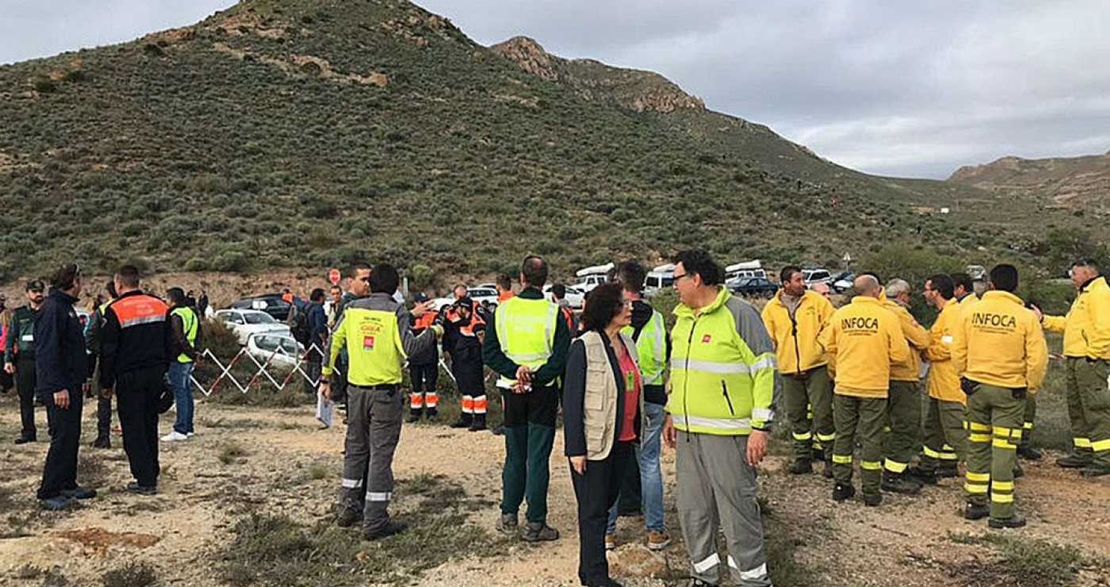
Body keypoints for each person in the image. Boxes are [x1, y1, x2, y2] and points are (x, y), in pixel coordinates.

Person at [663, 249, 776, 587]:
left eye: (676, 279)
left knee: (736, 510)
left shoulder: (739, 314)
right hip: (687, 432)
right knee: (693, 510)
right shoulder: (683, 319)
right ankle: (704, 575)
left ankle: (752, 580)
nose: (673, 287)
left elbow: (765, 371)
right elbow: (679, 372)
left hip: (728, 435)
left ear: (696, 278)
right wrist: (671, 413)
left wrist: (761, 427)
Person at [321, 263, 439, 540]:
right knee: (380, 456)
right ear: (396, 288)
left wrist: (326, 378)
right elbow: (409, 347)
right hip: (384, 393)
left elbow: (333, 342)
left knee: (355, 450)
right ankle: (375, 520)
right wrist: (434, 333)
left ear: (370, 284)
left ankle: (348, 506)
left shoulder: (352, 310)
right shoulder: (395, 311)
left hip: (356, 391)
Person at [483, 255, 571, 543]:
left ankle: (508, 515)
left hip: (511, 390)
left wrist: (515, 372)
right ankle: (535, 523)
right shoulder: (553, 312)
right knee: (537, 458)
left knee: (515, 454)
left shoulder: (502, 311)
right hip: (542, 391)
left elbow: (491, 353)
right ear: (544, 279)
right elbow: (561, 356)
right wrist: (535, 376)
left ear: (521, 277)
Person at [953, 264, 1047, 528]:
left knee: (978, 445)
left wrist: (964, 376)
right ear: (1015, 287)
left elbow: (958, 349)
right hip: (1009, 391)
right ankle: (1002, 512)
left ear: (991, 284)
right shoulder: (1025, 317)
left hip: (976, 389)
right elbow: (1037, 359)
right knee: (1004, 451)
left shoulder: (970, 311)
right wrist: (1029, 387)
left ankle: (975, 502)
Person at [564, 283, 641, 587]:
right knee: (593, 511)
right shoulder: (584, 345)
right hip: (594, 444)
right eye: (624, 303)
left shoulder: (628, 343)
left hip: (622, 439)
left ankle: (588, 571)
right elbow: (571, 401)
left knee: (605, 504)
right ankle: (597, 577)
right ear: (609, 309)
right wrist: (575, 448)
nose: (631, 307)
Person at [819, 274, 911, 507]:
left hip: (845, 385)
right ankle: (871, 491)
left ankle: (841, 485)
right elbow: (901, 355)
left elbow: (828, 345)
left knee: (843, 435)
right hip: (874, 387)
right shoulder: (887, 317)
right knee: (871, 438)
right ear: (877, 291)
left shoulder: (841, 315)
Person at [606, 261, 671, 552]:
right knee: (649, 462)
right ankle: (655, 531)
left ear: (620, 284)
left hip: (624, 398)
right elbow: (667, 353)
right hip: (655, 396)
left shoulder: (617, 317)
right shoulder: (657, 318)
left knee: (613, 463)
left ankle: (607, 532)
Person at [100, 265, 171, 495]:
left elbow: (108, 351)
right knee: (150, 424)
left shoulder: (115, 310)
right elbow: (170, 342)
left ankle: (144, 479)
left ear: (118, 284)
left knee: (133, 428)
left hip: (129, 377)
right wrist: (164, 371)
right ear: (138, 281)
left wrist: (106, 383)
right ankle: (152, 470)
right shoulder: (160, 305)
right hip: (155, 374)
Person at [761, 265, 835, 476]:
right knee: (796, 415)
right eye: (798, 280)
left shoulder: (816, 301)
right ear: (786, 284)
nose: (803, 284)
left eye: (803, 280)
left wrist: (820, 344)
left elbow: (832, 323)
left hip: (816, 366)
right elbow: (768, 337)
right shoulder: (771, 308)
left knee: (823, 414)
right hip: (788, 370)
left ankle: (831, 458)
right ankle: (803, 457)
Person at [1039, 258, 1110, 475]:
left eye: (1075, 274)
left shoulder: (1100, 294)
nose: (1072, 278)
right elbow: (1068, 324)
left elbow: (1106, 328)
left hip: (1089, 361)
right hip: (1076, 359)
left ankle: (1104, 457)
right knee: (1077, 407)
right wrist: (1043, 319)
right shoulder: (1084, 295)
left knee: (1095, 408)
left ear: (1088, 274)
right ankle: (1083, 451)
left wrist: (1093, 356)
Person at [35, 264, 94, 510]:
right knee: (62, 436)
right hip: (59, 386)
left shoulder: (65, 308)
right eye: (80, 280)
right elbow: (48, 352)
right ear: (72, 281)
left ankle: (67, 483)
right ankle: (49, 490)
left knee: (72, 435)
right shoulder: (53, 309)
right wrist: (58, 386)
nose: (83, 284)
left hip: (71, 383)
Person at [911, 274, 967, 484]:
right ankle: (927, 466)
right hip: (939, 386)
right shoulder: (945, 314)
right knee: (933, 429)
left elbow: (948, 346)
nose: (925, 293)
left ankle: (980, 472)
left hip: (951, 386)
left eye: (927, 289)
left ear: (936, 291)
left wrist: (927, 353)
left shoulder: (953, 314)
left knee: (956, 432)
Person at [880, 279, 931, 494]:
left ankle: (891, 466)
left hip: (881, 376)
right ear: (902, 296)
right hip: (902, 377)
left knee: (885, 425)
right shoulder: (898, 313)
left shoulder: (878, 310)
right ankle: (893, 474)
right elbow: (922, 340)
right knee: (907, 425)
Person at [5, 280, 46, 444]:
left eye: (40, 291)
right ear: (28, 293)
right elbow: (10, 338)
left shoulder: (49, 311)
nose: (38, 294)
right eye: (34, 291)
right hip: (25, 359)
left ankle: (54, 430)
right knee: (25, 397)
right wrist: (8, 359)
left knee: (49, 396)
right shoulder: (20, 314)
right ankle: (28, 432)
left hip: (45, 358)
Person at [444, 288, 488, 431]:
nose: (456, 310)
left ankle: (480, 419)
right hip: (461, 356)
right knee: (465, 388)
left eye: (459, 308)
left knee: (476, 388)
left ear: (464, 309)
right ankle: (466, 416)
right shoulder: (462, 321)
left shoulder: (475, 322)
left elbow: (482, 338)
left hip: (472, 356)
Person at [163, 287, 201, 442]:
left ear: (172, 299)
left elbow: (179, 338)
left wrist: (189, 353)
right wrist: (195, 354)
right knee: (186, 393)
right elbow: (198, 334)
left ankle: (180, 429)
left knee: (180, 394)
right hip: (188, 358)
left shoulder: (175, 315)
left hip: (179, 358)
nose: (165, 302)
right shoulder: (190, 312)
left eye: (166, 299)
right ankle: (188, 427)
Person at [85, 280, 118, 448]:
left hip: (106, 360)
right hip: (131, 361)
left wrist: (102, 350)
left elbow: (89, 336)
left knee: (104, 399)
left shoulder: (102, 310)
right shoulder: (132, 307)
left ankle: (103, 436)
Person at [407, 293, 440, 422]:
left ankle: (432, 412)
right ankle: (415, 411)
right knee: (416, 386)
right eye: (421, 302)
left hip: (430, 356)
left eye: (425, 302)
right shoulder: (409, 317)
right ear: (416, 303)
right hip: (415, 356)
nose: (424, 305)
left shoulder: (434, 315)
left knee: (431, 385)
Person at [302, 288, 329, 395]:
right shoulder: (318, 309)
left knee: (310, 364)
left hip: (307, 340)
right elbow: (320, 327)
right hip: (316, 340)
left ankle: (308, 387)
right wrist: (324, 339)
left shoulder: (307, 306)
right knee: (318, 364)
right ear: (320, 297)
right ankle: (316, 388)